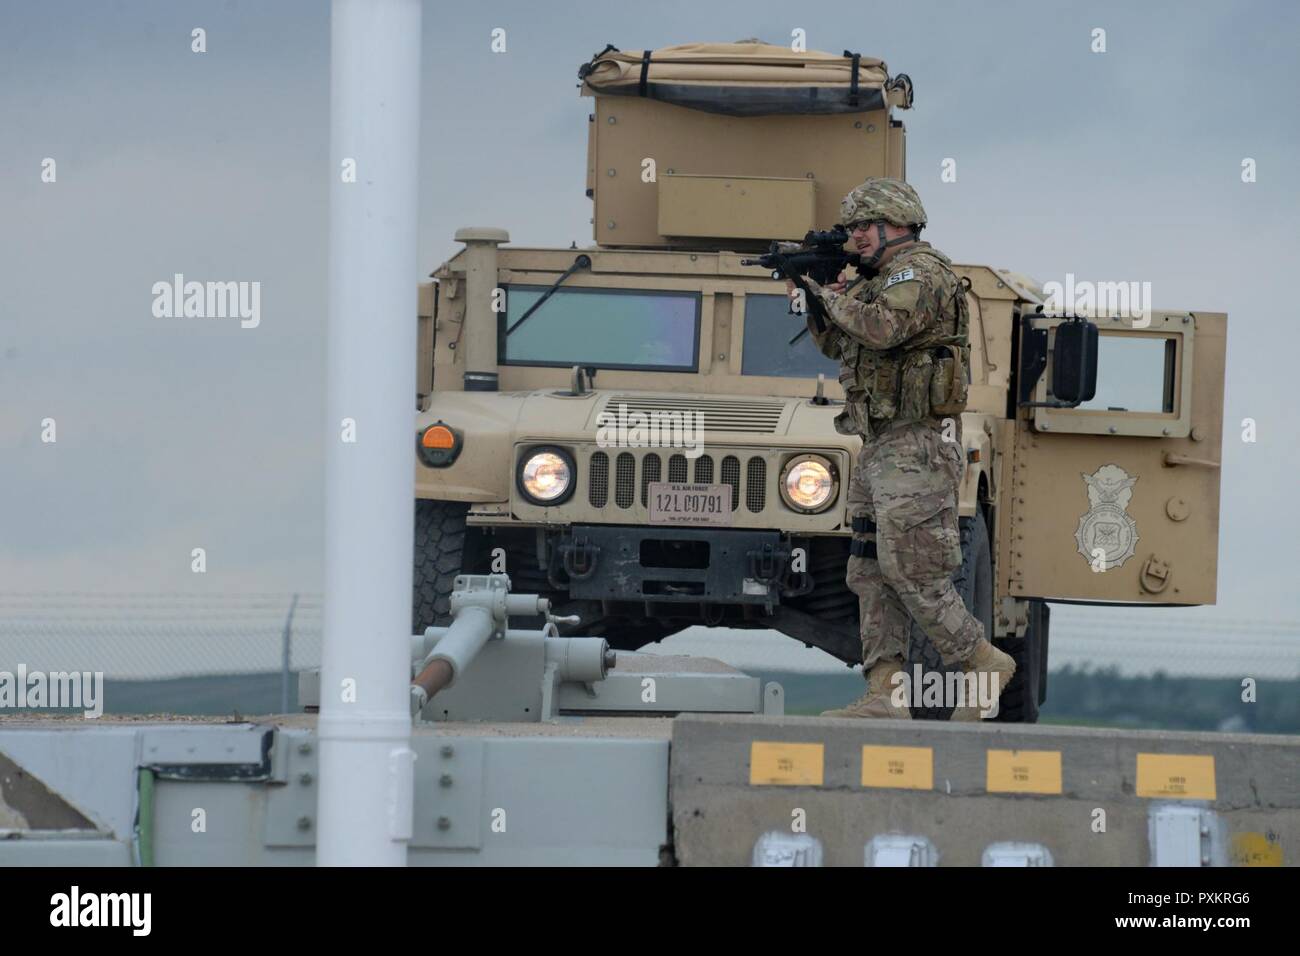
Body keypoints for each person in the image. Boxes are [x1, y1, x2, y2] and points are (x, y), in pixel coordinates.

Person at [787, 177, 1014, 720]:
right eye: (851, 228)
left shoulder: (921, 273)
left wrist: (828, 293)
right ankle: (886, 693)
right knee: (867, 570)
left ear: (898, 223)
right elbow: (841, 341)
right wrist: (815, 298)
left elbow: (883, 328)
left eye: (865, 226)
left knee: (912, 568)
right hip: (880, 445)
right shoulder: (878, 278)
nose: (856, 236)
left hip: (916, 447)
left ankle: (981, 659)